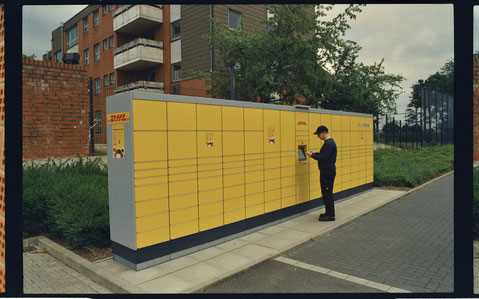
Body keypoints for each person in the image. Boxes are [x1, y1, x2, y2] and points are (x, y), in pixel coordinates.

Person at [307, 125, 337, 221]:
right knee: (327, 193)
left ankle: (330, 215)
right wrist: (315, 153)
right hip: (328, 171)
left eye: (318, 134)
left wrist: (312, 156)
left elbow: (324, 158)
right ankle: (328, 213)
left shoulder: (329, 144)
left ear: (324, 132)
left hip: (327, 172)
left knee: (327, 193)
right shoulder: (329, 143)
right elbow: (324, 155)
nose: (318, 136)